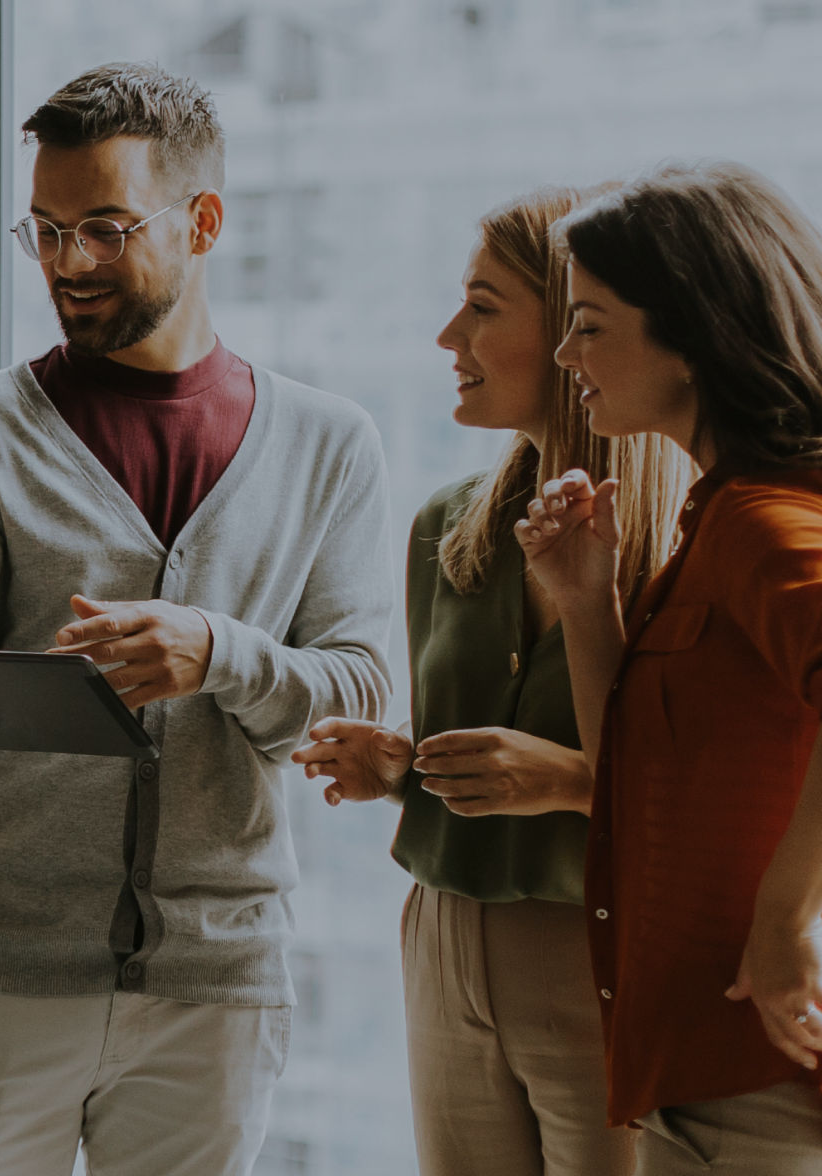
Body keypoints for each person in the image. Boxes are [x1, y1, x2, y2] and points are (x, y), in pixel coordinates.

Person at [0, 63, 394, 1175]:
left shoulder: (328, 443)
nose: (67, 265)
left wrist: (218, 653)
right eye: (45, 232)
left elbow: (354, 687)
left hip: (218, 979)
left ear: (202, 221)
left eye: (104, 229)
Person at [294, 186, 689, 1176]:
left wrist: (559, 779)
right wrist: (397, 768)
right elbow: (460, 757)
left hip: (600, 952)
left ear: (575, 332)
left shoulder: (690, 552)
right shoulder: (445, 528)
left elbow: (719, 803)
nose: (445, 335)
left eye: (480, 305)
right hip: (440, 937)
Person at [515, 161, 822, 1174]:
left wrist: (783, 922)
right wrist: (586, 604)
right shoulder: (713, 524)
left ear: (690, 337)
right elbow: (633, 784)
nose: (567, 353)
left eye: (591, 323)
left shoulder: (763, 523)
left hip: (756, 1080)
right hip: (700, 1074)